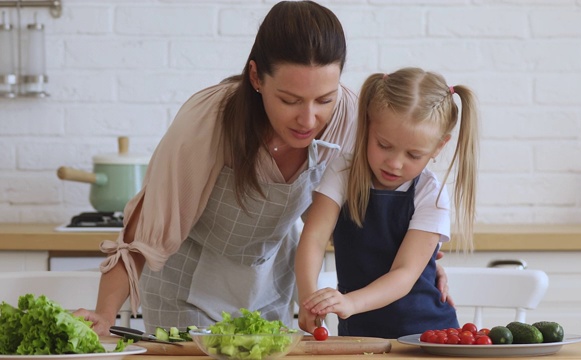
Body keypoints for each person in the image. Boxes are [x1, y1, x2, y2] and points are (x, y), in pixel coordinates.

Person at [74, 2, 451, 336]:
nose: (309, 119)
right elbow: (146, 229)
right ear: (256, 77)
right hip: (186, 283)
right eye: (289, 100)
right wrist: (105, 314)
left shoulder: (350, 116)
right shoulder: (207, 122)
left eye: (324, 98)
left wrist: (425, 263)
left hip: (272, 280)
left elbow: (386, 193)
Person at [295, 67, 478, 339]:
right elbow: (314, 237)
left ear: (439, 147)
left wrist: (350, 303)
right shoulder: (342, 173)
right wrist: (309, 298)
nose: (395, 163)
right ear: (367, 126)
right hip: (360, 334)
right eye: (383, 145)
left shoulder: (430, 193)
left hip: (426, 336)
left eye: (414, 154)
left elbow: (404, 274)